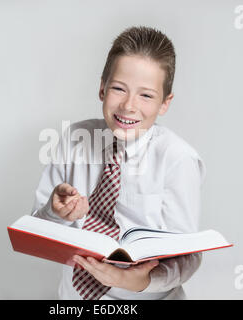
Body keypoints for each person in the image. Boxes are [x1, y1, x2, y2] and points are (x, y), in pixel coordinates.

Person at [31, 26, 206, 300]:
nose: (128, 106)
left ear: (164, 103)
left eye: (146, 95)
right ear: (102, 87)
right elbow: (36, 228)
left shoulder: (177, 159)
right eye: (119, 89)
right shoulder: (75, 138)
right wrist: (55, 213)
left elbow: (188, 256)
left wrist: (138, 280)